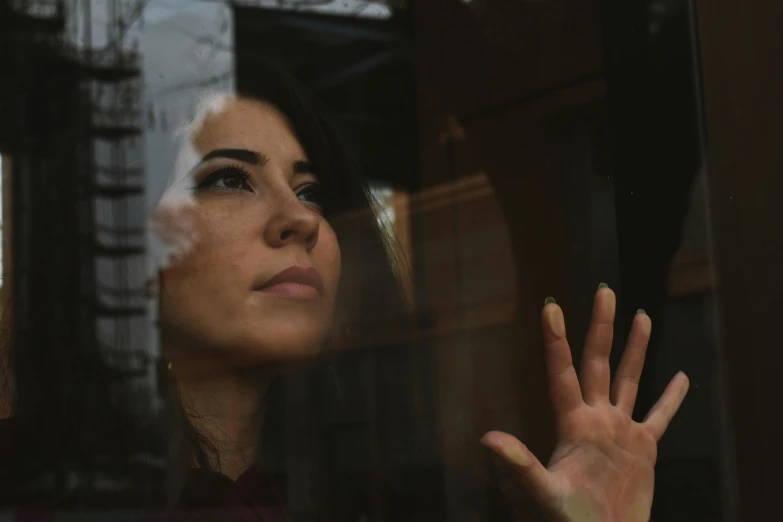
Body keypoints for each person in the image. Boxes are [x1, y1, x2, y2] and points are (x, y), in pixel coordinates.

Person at [1, 62, 689, 522]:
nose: (301, 219)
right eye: (227, 179)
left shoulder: (414, 502)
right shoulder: (33, 492)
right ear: (123, 245)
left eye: (310, 191)